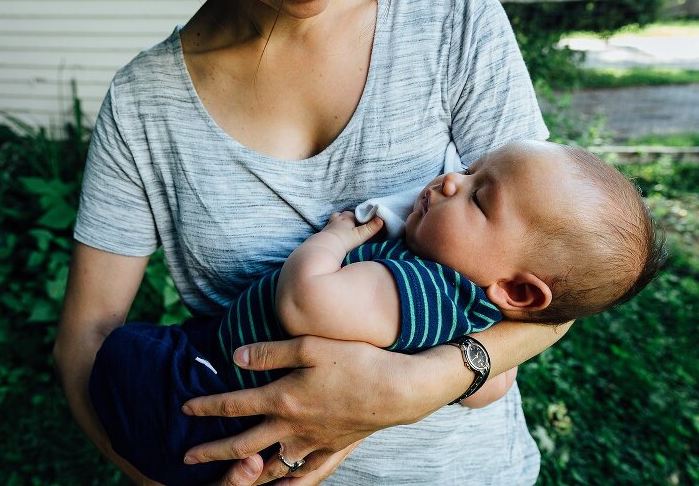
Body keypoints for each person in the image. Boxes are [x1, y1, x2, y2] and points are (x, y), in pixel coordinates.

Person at [54, 0, 590, 484]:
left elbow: (560, 277)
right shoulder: (142, 103)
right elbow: (86, 336)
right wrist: (159, 480)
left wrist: (417, 387)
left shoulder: (451, 13)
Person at [87, 140, 663, 486]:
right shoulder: (468, 312)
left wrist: (334, 239)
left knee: (125, 355)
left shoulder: (416, 286)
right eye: (470, 169)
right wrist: (467, 370)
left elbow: (304, 300)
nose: (450, 179)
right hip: (238, 416)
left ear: (518, 291)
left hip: (207, 399)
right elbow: (490, 380)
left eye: (479, 197)